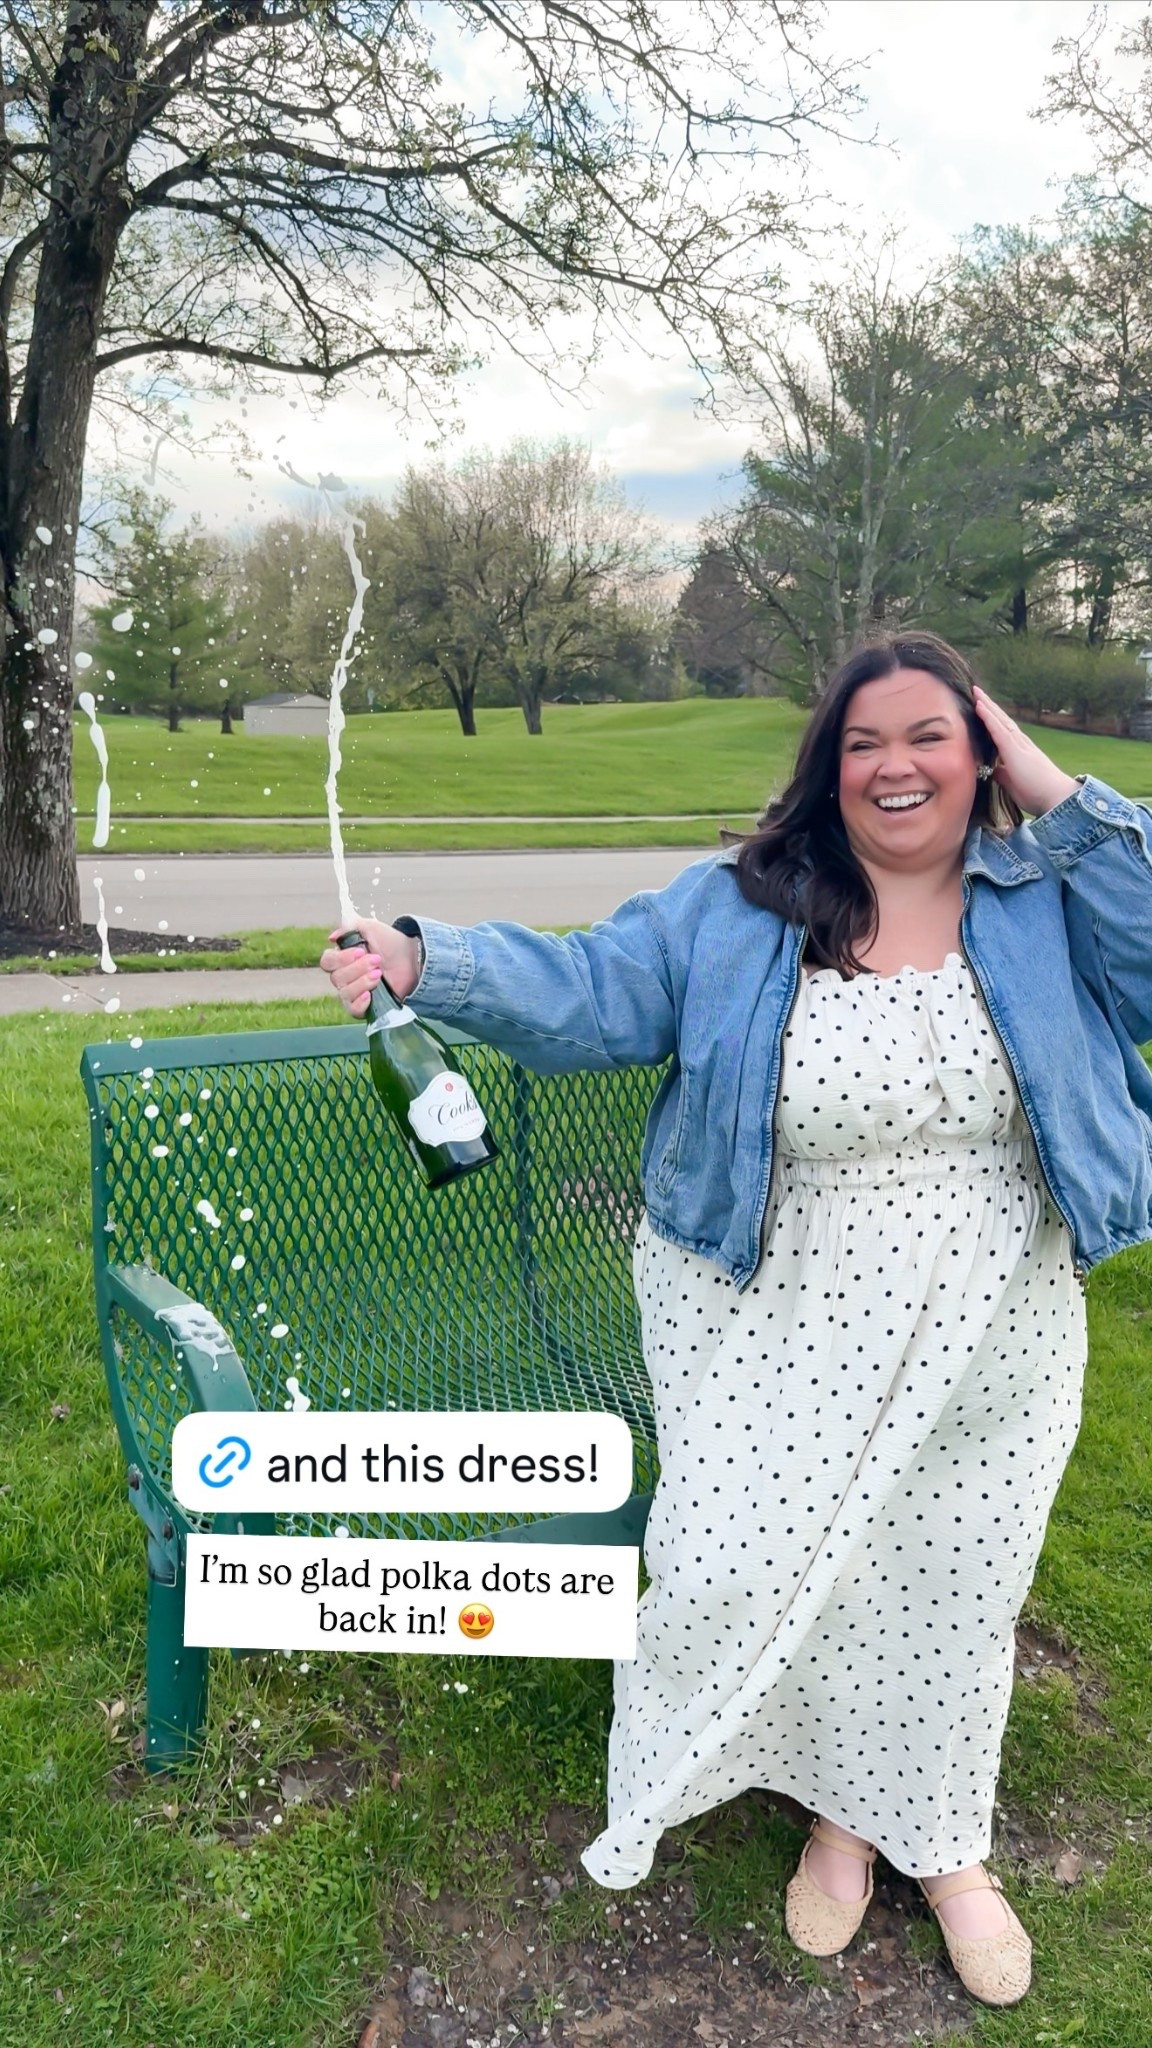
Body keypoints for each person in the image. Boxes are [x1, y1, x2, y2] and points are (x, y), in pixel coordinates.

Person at [319, 631, 1152, 2009]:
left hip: (999, 1316)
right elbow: (594, 992)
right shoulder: (742, 905)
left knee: (956, 1578)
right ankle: (837, 1813)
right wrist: (426, 959)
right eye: (863, 742)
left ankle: (938, 1842)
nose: (895, 767)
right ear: (828, 766)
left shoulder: (1045, 895)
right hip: (782, 1309)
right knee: (759, 1565)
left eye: (930, 736)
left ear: (981, 751)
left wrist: (1050, 785)